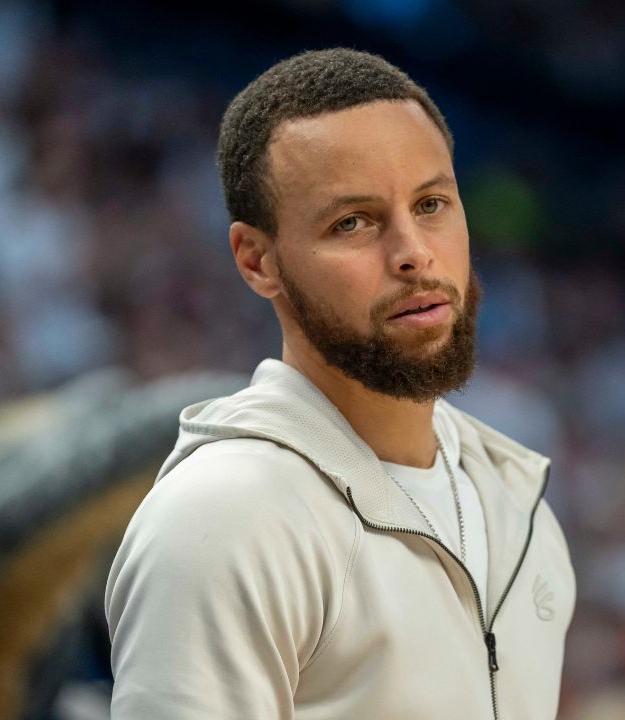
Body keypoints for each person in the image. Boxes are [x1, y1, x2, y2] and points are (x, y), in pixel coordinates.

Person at [104, 48, 575, 719]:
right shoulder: (223, 520)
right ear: (257, 260)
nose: (414, 251)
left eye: (432, 203)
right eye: (351, 222)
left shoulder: (517, 502)